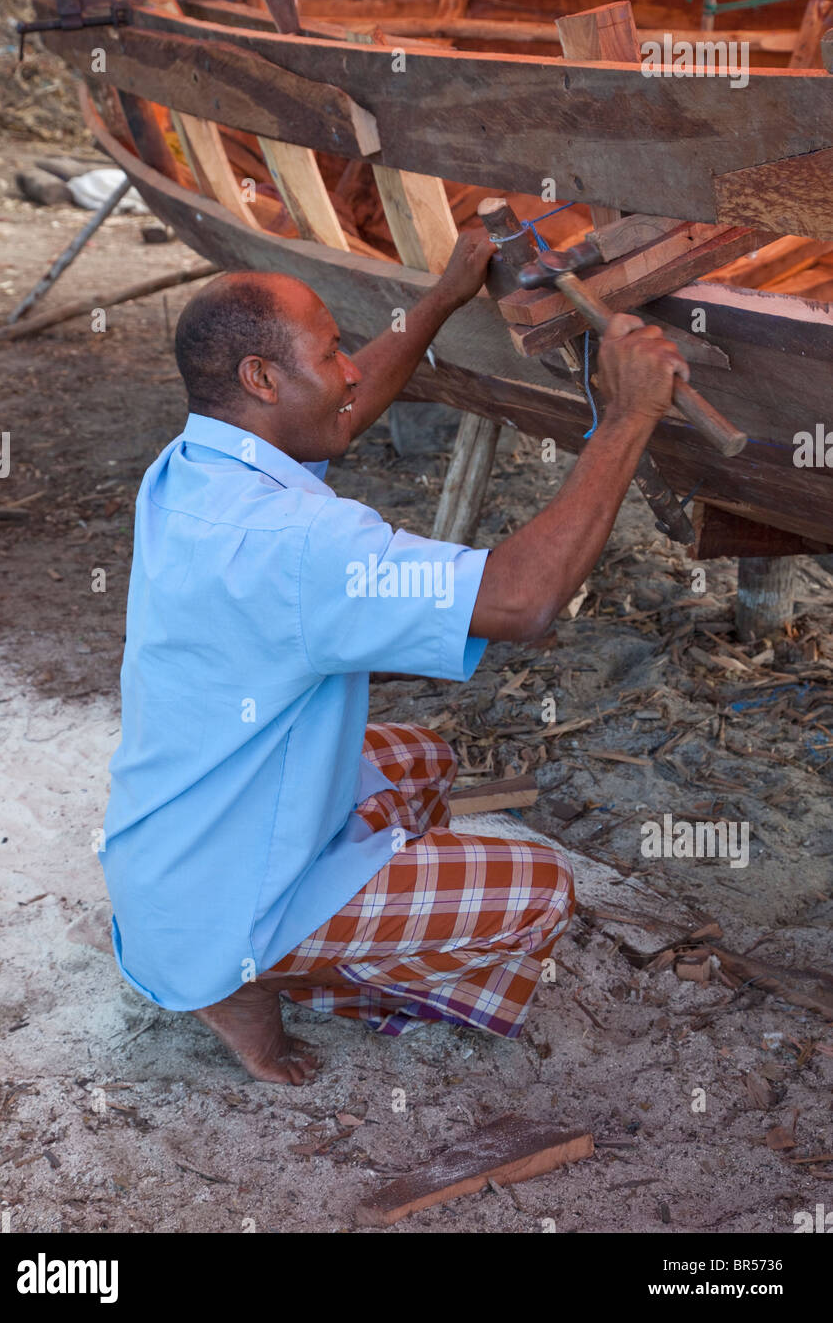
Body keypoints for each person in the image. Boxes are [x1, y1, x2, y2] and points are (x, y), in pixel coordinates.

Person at [101, 232, 689, 1083]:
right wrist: (631, 415)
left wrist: (446, 294)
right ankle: (251, 976)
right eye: (332, 350)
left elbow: (342, 404)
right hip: (212, 905)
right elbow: (523, 600)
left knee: (424, 760)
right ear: (263, 380)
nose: (349, 371)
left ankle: (272, 946)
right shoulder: (299, 543)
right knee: (538, 886)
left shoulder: (195, 465)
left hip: (167, 857)